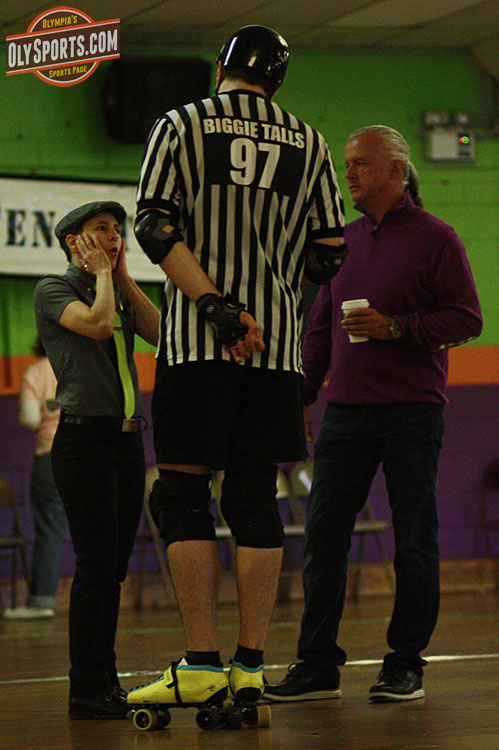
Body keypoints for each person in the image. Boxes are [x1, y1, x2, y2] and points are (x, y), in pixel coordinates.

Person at [127, 24, 346, 716]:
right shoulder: (309, 141)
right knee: (254, 497)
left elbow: (154, 226)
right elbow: (330, 251)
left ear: (222, 66)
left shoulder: (181, 123)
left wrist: (219, 309)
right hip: (275, 351)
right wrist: (270, 302)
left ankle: (200, 664)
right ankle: (250, 667)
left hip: (199, 343)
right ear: (278, 80)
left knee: (182, 495)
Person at [264, 125, 483, 704]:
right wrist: (301, 397)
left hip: (412, 412)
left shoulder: (438, 238)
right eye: (348, 164)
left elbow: (466, 319)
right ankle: (317, 665)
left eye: (360, 163)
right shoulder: (342, 241)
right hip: (345, 414)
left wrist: (396, 328)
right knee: (323, 538)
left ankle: (405, 664)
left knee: (414, 539)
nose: (349, 174)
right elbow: (319, 328)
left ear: (395, 170)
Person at [34, 201, 160, 718]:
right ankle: (86, 689)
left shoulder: (116, 288)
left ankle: (106, 681)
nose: (114, 236)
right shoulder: (53, 288)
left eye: (117, 230)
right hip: (83, 441)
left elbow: (162, 333)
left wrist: (123, 275)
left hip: (126, 441)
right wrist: (104, 277)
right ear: (74, 242)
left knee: (113, 571)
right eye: (101, 229)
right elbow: (99, 325)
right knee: (95, 567)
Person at [4, 336, 67, 620]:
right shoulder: (79, 364)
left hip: (50, 456)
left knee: (50, 530)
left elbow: (30, 419)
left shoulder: (37, 371)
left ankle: (42, 600)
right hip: (86, 456)